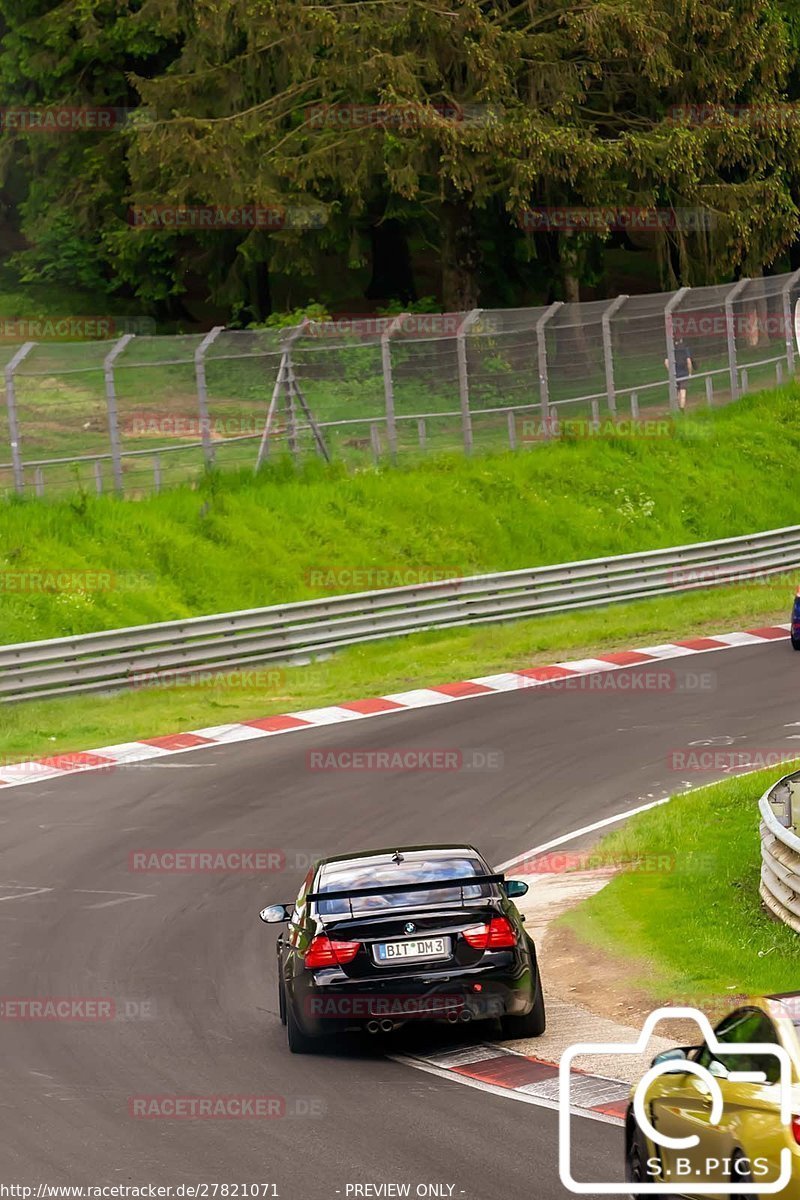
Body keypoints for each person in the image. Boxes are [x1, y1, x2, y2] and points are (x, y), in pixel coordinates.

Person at [664, 337, 694, 410]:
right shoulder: (684, 349)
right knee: (683, 391)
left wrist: (670, 371)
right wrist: (690, 373)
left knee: (677, 391)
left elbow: (666, 362)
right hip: (684, 373)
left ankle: (677, 408)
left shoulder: (671, 349)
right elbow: (689, 362)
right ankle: (682, 408)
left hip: (675, 374)